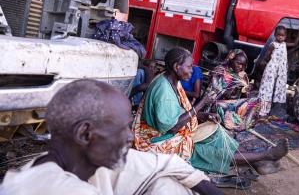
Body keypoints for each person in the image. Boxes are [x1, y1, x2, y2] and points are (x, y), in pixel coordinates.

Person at [0, 79, 220, 195]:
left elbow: (165, 163)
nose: (130, 135)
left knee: (167, 182)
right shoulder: (57, 189)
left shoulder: (85, 162)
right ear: (85, 134)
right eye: (123, 128)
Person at [133, 47, 289, 175]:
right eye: (189, 66)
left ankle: (256, 160)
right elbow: (172, 127)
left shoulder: (172, 80)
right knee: (205, 151)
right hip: (158, 142)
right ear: (176, 67)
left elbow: (177, 112)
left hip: (172, 131)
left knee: (216, 134)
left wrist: (203, 115)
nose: (192, 71)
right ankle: (266, 155)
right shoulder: (164, 91)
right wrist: (201, 104)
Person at [258, 25, 299, 117]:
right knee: (268, 88)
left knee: (278, 88)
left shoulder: (284, 44)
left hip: (281, 70)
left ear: (285, 36)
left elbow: (295, 44)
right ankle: (263, 109)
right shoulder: (273, 45)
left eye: (283, 35)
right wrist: (264, 63)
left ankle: (273, 107)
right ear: (275, 35)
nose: (281, 37)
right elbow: (267, 56)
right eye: (278, 35)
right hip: (272, 69)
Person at [206, 49, 260, 131]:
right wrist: (232, 88)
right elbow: (214, 94)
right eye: (238, 63)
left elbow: (243, 97)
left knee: (255, 101)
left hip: (233, 104)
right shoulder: (219, 71)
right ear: (231, 59)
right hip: (217, 103)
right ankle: (233, 124)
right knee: (219, 106)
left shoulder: (242, 75)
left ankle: (243, 124)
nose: (240, 67)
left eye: (243, 65)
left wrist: (245, 90)